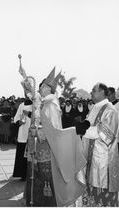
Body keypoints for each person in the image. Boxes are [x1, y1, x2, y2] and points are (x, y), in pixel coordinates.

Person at [24, 68, 86, 207]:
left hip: (46, 148)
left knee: (46, 179)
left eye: (42, 86)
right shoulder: (45, 103)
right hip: (40, 148)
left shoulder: (51, 105)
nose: (39, 88)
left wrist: (37, 133)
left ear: (47, 88)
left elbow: (52, 129)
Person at [75, 83, 119, 207]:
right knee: (90, 187)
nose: (91, 93)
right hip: (90, 155)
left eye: (93, 90)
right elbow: (89, 125)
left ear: (102, 92)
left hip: (102, 157)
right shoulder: (95, 108)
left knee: (101, 187)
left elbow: (107, 133)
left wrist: (83, 129)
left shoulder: (110, 110)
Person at [12, 90, 32, 181]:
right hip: (22, 131)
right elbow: (16, 117)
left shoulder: (35, 104)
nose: (27, 95)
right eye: (25, 92)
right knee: (22, 154)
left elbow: (38, 117)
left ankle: (30, 174)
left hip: (31, 132)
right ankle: (22, 174)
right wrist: (18, 122)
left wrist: (29, 114)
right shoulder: (21, 105)